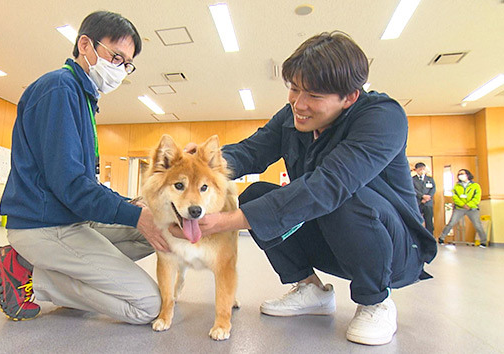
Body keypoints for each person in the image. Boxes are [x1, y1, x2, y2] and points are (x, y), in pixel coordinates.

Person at [174, 31, 436, 346]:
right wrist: (201, 164)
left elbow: (327, 187)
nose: (299, 104)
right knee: (258, 195)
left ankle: (375, 300)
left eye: (313, 95)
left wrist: (226, 222)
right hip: (333, 239)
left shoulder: (382, 117)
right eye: (294, 89)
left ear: (350, 97)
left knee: (342, 197)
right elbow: (250, 151)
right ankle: (311, 289)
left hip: (394, 249)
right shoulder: (293, 117)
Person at [0, 11, 168, 324]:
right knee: (147, 306)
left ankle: (61, 272)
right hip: (44, 226)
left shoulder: (83, 98)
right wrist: (137, 214)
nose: (121, 70)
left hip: (71, 218)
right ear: (86, 45)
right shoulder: (59, 90)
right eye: (116, 57)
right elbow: (71, 185)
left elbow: (83, 182)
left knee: (156, 228)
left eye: (127, 64)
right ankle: (30, 271)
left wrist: (133, 205)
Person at [438, 169, 487, 247]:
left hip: (472, 209)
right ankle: (441, 238)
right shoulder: (456, 186)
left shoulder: (475, 186)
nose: (461, 175)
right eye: (459, 174)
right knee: (451, 223)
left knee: (478, 225)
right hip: (459, 208)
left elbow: (477, 197)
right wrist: (462, 204)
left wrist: (469, 205)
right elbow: (455, 197)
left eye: (462, 174)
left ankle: (483, 242)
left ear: (468, 175)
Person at [412, 162, 436, 234]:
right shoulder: (412, 179)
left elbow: (433, 189)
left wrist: (428, 197)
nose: (422, 170)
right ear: (416, 170)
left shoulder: (430, 179)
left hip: (428, 203)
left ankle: (430, 236)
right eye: (420, 169)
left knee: (429, 221)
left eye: (423, 168)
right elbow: (412, 189)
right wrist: (422, 196)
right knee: (417, 220)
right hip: (418, 202)